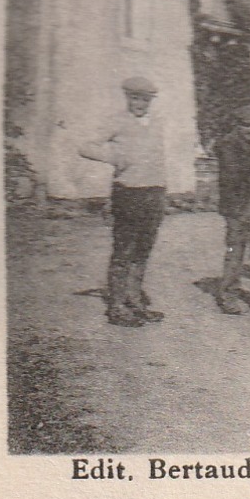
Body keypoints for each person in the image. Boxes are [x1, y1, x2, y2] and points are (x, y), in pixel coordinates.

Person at [78, 76, 168, 327]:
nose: (139, 103)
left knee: (143, 250)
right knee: (124, 251)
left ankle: (134, 301)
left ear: (151, 101)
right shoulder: (117, 121)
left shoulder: (157, 123)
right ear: (127, 97)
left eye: (145, 99)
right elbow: (85, 147)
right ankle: (116, 307)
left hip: (154, 193)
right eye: (135, 98)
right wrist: (114, 157)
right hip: (129, 194)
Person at [211, 104, 250, 315]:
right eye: (247, 125)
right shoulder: (227, 145)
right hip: (236, 206)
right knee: (235, 251)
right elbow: (233, 176)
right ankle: (227, 295)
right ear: (237, 124)